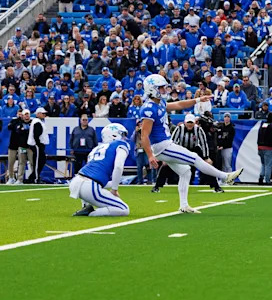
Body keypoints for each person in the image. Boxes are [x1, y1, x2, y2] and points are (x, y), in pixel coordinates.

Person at [139, 75, 241, 214]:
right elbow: (144, 135)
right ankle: (225, 177)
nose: (164, 90)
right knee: (194, 158)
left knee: (186, 171)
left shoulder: (160, 103)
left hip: (165, 144)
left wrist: (198, 99)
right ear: (152, 89)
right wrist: (150, 156)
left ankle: (184, 205)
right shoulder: (148, 108)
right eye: (160, 87)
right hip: (162, 146)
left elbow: (180, 104)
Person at [69, 124, 131, 217]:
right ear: (113, 135)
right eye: (122, 135)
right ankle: (90, 213)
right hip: (90, 186)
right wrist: (114, 189)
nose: (124, 138)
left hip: (76, 181)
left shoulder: (96, 148)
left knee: (92, 183)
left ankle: (86, 206)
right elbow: (118, 166)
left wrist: (115, 182)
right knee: (123, 209)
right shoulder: (120, 144)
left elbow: (96, 176)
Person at [5, 109, 30, 185]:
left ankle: (20, 179)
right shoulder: (14, 121)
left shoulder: (26, 122)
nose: (20, 115)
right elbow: (10, 127)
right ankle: (11, 177)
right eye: (18, 114)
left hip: (22, 145)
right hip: (13, 144)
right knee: (10, 162)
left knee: (21, 162)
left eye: (21, 114)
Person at [25, 107, 50, 184]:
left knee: (41, 160)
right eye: (43, 113)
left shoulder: (38, 121)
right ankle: (35, 178)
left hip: (39, 145)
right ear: (38, 114)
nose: (44, 115)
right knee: (38, 161)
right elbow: (36, 135)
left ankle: (32, 177)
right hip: (37, 145)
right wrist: (38, 144)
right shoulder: (37, 122)